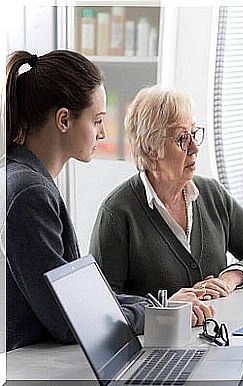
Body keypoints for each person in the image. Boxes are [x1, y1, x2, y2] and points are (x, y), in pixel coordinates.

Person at [2, 50, 214, 351]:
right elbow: (71, 321)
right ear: (64, 120)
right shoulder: (28, 192)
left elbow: (82, 298)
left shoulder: (28, 179)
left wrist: (158, 304)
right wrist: (153, 313)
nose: (103, 132)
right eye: (98, 120)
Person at [89, 86, 243, 300]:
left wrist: (230, 278)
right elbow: (103, 304)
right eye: (182, 139)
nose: (195, 148)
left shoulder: (213, 194)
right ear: (151, 147)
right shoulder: (117, 213)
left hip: (222, 330)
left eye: (194, 134)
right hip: (159, 335)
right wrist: (165, 307)